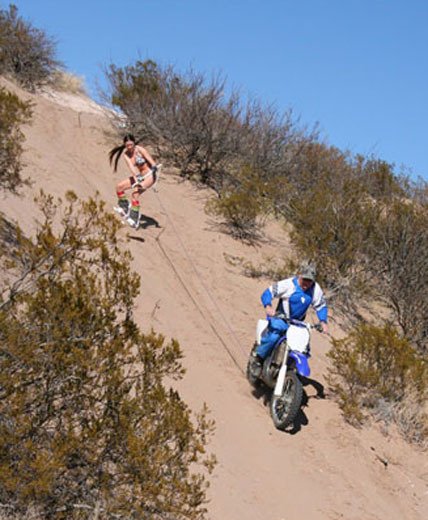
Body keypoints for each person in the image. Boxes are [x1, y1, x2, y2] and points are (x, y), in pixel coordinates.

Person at [251, 262, 329, 372]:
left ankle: (291, 367)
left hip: (298, 323)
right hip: (281, 318)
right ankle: (258, 360)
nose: (307, 283)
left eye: (310, 281)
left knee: (304, 345)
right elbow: (268, 292)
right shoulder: (288, 285)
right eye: (305, 279)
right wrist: (268, 306)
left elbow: (321, 306)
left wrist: (323, 321)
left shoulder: (316, 290)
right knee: (274, 336)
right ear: (300, 276)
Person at [109, 134, 159, 228]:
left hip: (149, 175)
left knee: (135, 194)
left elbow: (151, 161)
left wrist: (153, 166)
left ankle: (135, 218)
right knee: (119, 187)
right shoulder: (126, 155)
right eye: (127, 145)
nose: (129, 147)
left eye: (131, 144)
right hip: (140, 176)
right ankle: (125, 207)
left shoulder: (140, 150)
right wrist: (137, 177)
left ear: (134, 143)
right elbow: (131, 168)